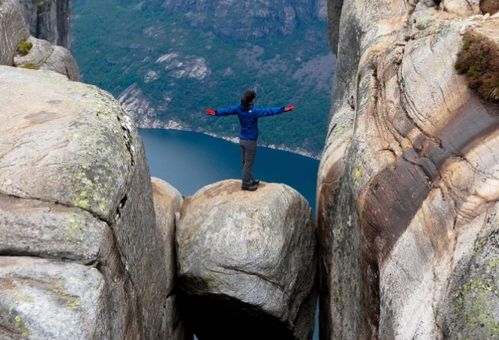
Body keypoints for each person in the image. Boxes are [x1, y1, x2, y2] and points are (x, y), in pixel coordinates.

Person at [206, 90, 295, 191]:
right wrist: (283, 109)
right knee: (248, 163)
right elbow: (269, 111)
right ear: (252, 100)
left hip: (242, 139)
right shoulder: (254, 112)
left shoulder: (238, 108)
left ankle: (251, 179)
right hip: (250, 141)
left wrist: (215, 112)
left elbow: (226, 111)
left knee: (245, 162)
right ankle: (246, 184)